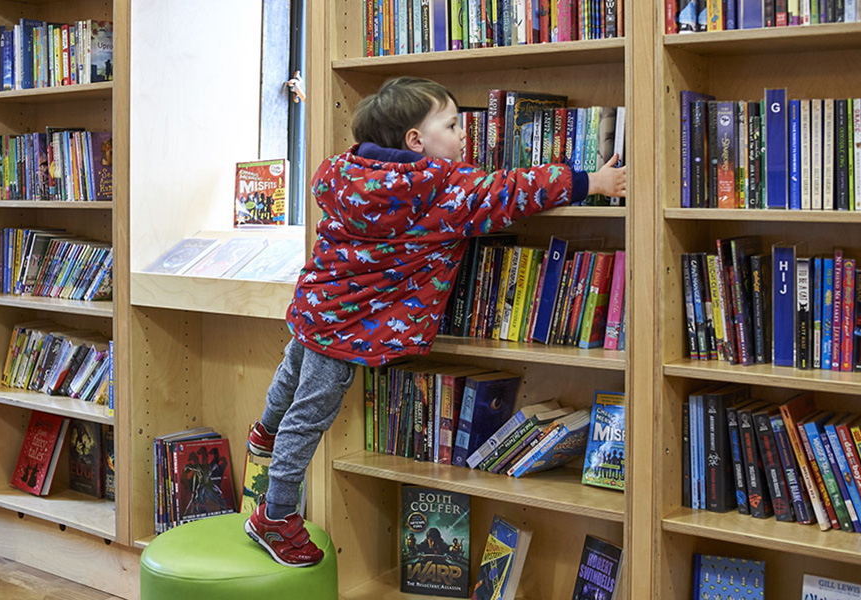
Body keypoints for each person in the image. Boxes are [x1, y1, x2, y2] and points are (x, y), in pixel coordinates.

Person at [243, 76, 626, 567]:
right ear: (416, 141)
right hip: (350, 327)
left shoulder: (342, 173)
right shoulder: (442, 187)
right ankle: (275, 519)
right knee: (310, 418)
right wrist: (589, 181)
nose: (464, 132)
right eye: (451, 123)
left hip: (315, 308)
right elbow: (511, 190)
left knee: (291, 373)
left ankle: (265, 431)